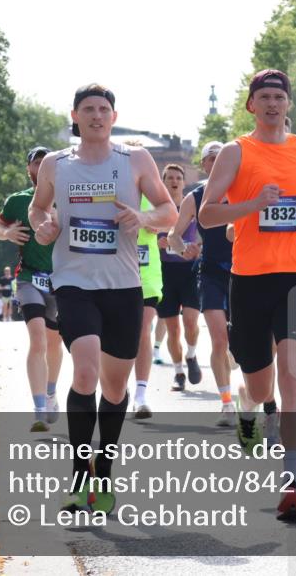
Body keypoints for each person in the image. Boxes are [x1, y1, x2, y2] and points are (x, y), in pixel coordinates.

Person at [30, 84, 176, 514]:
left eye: (103, 109)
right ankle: (79, 477)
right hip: (74, 283)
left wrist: (143, 217)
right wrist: (43, 225)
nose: (96, 115)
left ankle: (104, 470)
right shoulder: (56, 164)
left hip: (124, 286)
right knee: (85, 372)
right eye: (88, 109)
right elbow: (38, 209)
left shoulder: (136, 160)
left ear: (114, 117)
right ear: (74, 116)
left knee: (114, 388)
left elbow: (169, 211)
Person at [198, 68, 296, 521]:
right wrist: (253, 205)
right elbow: (207, 215)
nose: (273, 104)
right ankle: (249, 406)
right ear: (251, 105)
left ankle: (291, 481)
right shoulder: (236, 152)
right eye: (265, 97)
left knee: (293, 377)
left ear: (288, 104)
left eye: (280, 96)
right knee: (260, 385)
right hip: (250, 280)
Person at [0, 145, 65, 431]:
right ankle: (38, 410)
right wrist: (7, 232)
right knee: (37, 339)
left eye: (46, 162)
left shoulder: (69, 197)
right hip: (28, 277)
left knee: (54, 343)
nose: (41, 167)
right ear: (29, 169)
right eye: (36, 162)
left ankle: (50, 393)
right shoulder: (18, 201)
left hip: (60, 280)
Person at [167, 141, 237, 425]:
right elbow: (173, 236)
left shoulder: (243, 190)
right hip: (210, 273)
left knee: (238, 346)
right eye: (211, 158)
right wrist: (183, 249)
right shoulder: (195, 197)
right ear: (204, 165)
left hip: (244, 273)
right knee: (219, 339)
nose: (217, 162)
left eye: (222, 157)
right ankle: (227, 403)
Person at [121, 136, 164, 420]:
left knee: (143, 329)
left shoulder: (153, 190)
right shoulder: (113, 188)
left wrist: (148, 219)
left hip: (146, 272)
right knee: (118, 334)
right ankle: (118, 388)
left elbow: (168, 216)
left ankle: (140, 395)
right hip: (115, 272)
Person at [155, 163, 203, 392]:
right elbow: (143, 237)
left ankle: (191, 355)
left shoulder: (191, 205)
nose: (174, 181)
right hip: (165, 271)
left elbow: (205, 233)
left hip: (190, 270)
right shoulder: (157, 209)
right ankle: (178, 373)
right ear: (163, 182)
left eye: (178, 178)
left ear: (184, 183)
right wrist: (157, 243)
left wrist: (198, 246)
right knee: (173, 329)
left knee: (191, 322)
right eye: (170, 178)